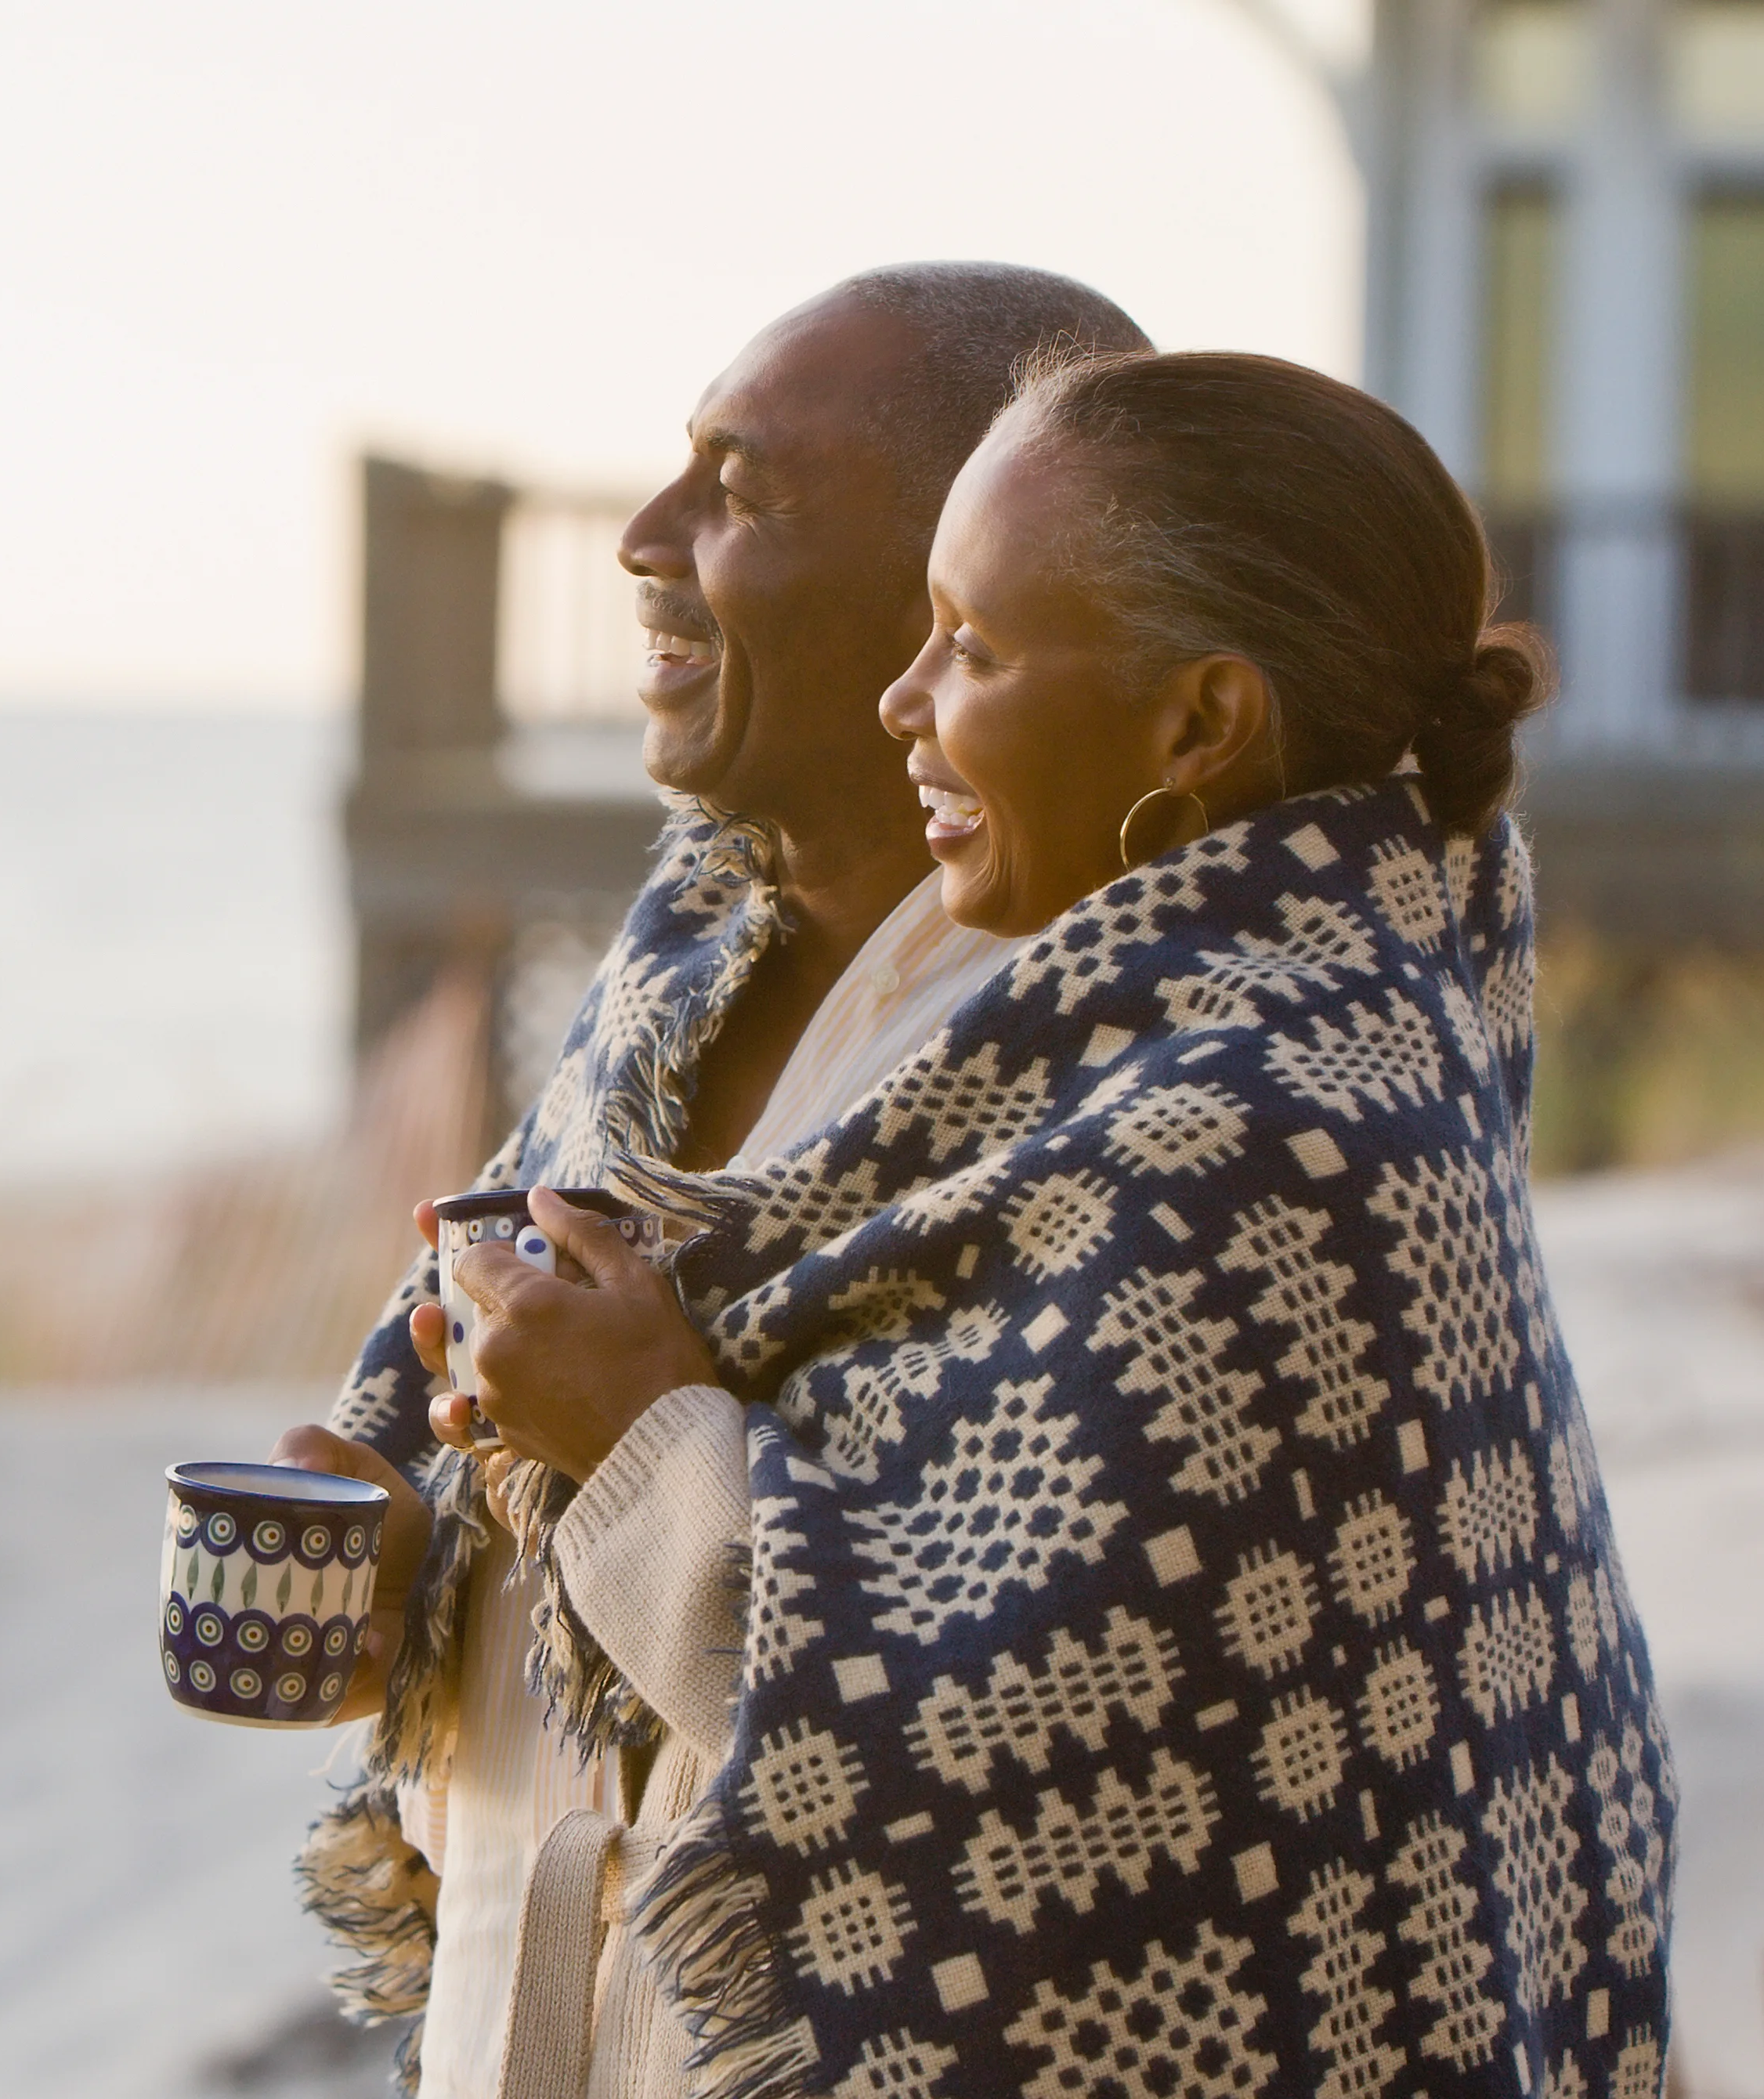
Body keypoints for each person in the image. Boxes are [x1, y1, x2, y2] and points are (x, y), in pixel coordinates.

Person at [408, 349, 1675, 2099]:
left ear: (1200, 724)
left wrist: (638, 1437)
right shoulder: (1198, 1040)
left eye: (975, 647)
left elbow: (1002, 1778)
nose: (902, 702)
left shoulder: (1257, 1128)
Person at [273, 265, 1151, 2096]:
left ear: (971, 567)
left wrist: (646, 1441)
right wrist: (420, 1555)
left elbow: (1049, 1730)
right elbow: (507, 1442)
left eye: (741, 494)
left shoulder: (1134, 1076)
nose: (648, 539)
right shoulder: (670, 956)